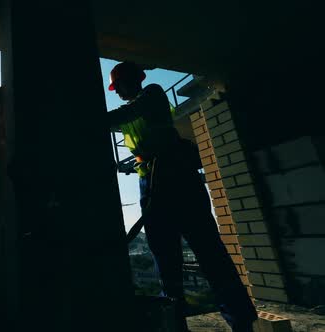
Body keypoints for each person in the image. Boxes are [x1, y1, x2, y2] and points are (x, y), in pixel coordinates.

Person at [107, 61, 257, 332]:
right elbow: (139, 133)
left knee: (208, 250)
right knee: (166, 256)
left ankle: (242, 322)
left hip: (173, 174)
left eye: (117, 87)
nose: (116, 92)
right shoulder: (141, 108)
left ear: (130, 81)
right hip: (153, 176)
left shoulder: (151, 92)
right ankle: (174, 322)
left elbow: (123, 115)